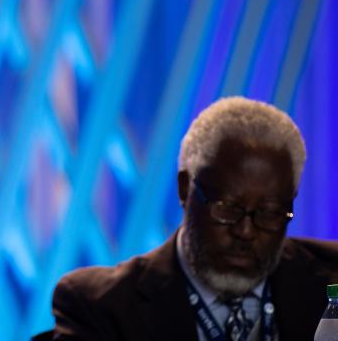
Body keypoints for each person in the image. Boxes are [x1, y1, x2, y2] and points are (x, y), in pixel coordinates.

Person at [49, 96, 338, 340]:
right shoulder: (101, 309)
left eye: (269, 212)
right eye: (227, 208)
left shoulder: (332, 280)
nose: (246, 231)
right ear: (185, 189)